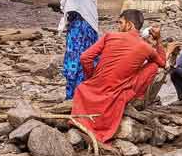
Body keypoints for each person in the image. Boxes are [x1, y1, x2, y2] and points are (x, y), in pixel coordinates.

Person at [71, 10, 166, 143]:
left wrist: (91, 78)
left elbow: (85, 58)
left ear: (129, 24)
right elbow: (162, 63)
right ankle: (136, 97)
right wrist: (158, 41)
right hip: (118, 92)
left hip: (92, 88)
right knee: (153, 66)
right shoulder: (146, 47)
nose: (118, 26)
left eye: (120, 23)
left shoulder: (109, 36)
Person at [58, 0, 101, 99]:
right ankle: (78, 97)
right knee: (81, 60)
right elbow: (72, 2)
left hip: (80, 27)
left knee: (79, 59)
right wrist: (77, 15)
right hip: (81, 29)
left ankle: (76, 96)